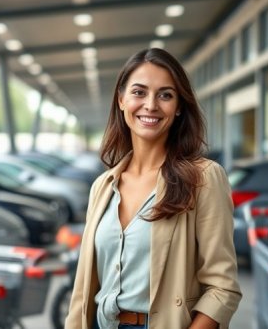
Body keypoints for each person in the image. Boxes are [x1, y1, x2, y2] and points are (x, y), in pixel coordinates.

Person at [65, 48, 242, 329]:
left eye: (165, 95)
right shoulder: (103, 186)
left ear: (179, 106)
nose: (151, 105)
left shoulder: (204, 178)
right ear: (121, 100)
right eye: (139, 92)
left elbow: (223, 288)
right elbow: (82, 291)